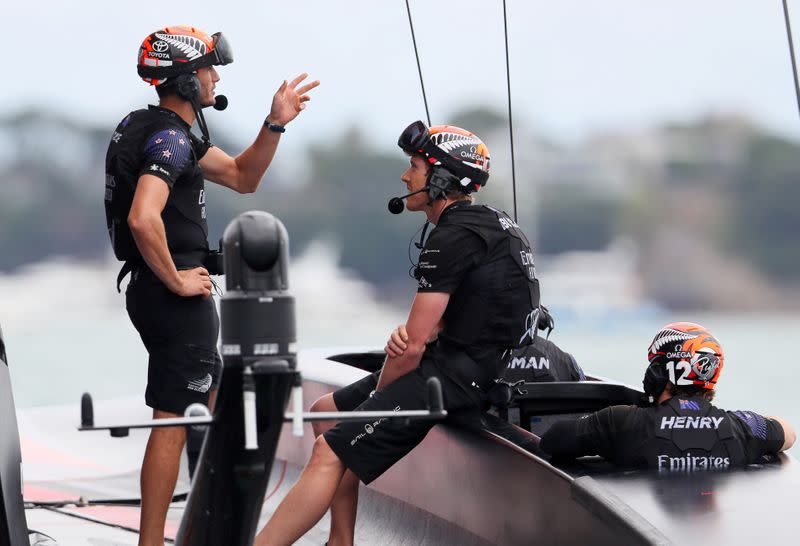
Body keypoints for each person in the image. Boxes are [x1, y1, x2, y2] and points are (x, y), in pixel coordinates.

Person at [255, 121, 540, 546]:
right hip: (458, 364)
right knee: (325, 410)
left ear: (441, 179)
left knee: (328, 450)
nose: (406, 177)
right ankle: (341, 540)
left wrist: (376, 401)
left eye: (414, 167)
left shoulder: (454, 234)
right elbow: (464, 313)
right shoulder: (485, 223)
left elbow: (412, 348)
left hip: (455, 379)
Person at [104, 25, 318, 546]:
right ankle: (152, 541)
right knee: (172, 417)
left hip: (153, 291)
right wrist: (177, 280)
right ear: (184, 79)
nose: (214, 77)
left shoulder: (151, 127)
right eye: (207, 69)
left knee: (214, 397)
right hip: (172, 295)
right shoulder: (170, 139)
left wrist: (275, 124)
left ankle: (211, 522)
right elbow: (141, 217)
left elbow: (244, 177)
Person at [540, 322, 796, 471]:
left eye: (655, 366)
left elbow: (552, 440)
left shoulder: (622, 422)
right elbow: (787, 433)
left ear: (666, 372)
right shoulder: (739, 428)